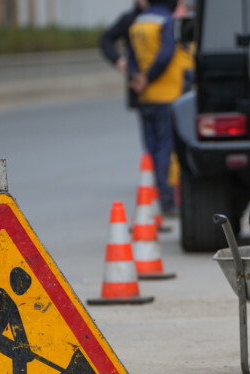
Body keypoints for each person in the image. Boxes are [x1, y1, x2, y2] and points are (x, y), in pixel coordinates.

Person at [128, 0, 188, 214]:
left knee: (151, 148)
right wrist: (149, 77)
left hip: (146, 96)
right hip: (167, 94)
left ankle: (159, 196)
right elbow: (165, 55)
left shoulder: (138, 22)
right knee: (166, 148)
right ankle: (168, 200)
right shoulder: (166, 21)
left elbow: (132, 56)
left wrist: (138, 78)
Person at [98, 0, 148, 109]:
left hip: (163, 83)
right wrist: (117, 59)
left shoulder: (166, 16)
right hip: (138, 81)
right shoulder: (130, 19)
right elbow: (106, 38)